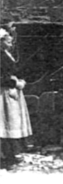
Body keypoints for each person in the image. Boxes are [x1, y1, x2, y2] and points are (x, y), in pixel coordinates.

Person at [0, 28, 32, 169]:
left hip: (11, 92)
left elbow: (13, 71)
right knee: (5, 124)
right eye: (8, 42)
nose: (11, 45)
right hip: (3, 93)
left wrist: (21, 79)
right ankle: (6, 157)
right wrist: (15, 83)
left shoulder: (6, 54)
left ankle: (11, 155)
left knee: (11, 123)